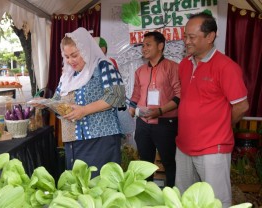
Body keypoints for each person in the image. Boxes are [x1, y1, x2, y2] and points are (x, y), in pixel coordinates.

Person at [176, 12, 249, 207]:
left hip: (213, 148)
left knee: (215, 202)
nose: (187, 41)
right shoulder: (183, 65)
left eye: (192, 37)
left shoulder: (226, 67)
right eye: (185, 36)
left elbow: (242, 106)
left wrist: (222, 124)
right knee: (183, 200)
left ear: (210, 37)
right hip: (183, 146)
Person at [43, 27, 126, 177]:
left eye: (74, 55)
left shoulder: (102, 66)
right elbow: (57, 100)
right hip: (74, 142)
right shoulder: (68, 76)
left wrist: (84, 110)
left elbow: (117, 95)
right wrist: (45, 103)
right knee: (80, 188)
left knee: (101, 187)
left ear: (86, 50)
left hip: (100, 140)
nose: (70, 61)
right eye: (66, 56)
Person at [128, 31, 180, 187]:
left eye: (148, 45)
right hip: (143, 123)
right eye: (143, 45)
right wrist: (131, 109)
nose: (144, 48)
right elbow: (136, 94)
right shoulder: (140, 71)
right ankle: (147, 197)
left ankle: (171, 197)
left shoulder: (172, 67)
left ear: (160, 46)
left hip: (166, 122)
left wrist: (160, 111)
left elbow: (179, 95)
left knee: (169, 162)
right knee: (145, 164)